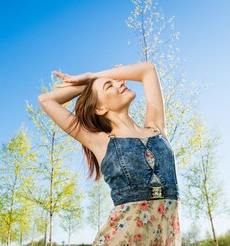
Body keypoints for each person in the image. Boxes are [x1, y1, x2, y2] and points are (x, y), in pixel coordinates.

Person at [37, 62, 181, 245]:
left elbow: (148, 70)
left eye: (116, 81)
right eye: (109, 86)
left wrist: (92, 74)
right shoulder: (100, 141)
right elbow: (46, 100)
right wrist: (89, 84)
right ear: (100, 108)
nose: (120, 83)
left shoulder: (156, 127)